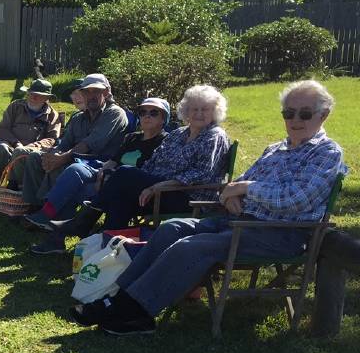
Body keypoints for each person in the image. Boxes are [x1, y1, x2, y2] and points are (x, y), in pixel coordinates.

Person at [71, 80, 347, 336]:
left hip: (278, 234)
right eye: (289, 113)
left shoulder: (326, 152)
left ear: (323, 116)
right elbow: (232, 185)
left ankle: (136, 313)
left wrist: (246, 189)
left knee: (191, 246)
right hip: (237, 221)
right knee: (171, 229)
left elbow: (294, 199)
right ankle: (118, 297)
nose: (295, 120)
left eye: (305, 114)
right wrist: (232, 193)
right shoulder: (276, 149)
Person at [32, 86, 233, 254]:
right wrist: (143, 184)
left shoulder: (214, 135)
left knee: (125, 174)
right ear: (186, 111)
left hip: (186, 197)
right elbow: (153, 163)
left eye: (204, 109)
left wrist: (157, 186)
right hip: (157, 192)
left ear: (214, 112)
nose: (198, 114)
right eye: (194, 109)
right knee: (121, 195)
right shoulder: (179, 134)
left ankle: (83, 223)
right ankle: (103, 252)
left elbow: (201, 174)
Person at [21, 96, 171, 242]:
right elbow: (113, 161)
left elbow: (151, 173)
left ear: (163, 118)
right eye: (143, 112)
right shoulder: (132, 138)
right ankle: (50, 219)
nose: (147, 116)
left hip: (128, 188)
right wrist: (102, 173)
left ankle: (55, 237)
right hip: (107, 176)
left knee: (77, 190)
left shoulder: (165, 142)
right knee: (75, 170)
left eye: (153, 112)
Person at [11, 73, 128, 210]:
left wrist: (61, 158)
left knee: (61, 166)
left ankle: (50, 211)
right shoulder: (78, 118)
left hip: (100, 164)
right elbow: (65, 142)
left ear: (106, 92)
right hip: (76, 158)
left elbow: (90, 144)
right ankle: (34, 205)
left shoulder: (114, 113)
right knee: (36, 157)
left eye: (96, 91)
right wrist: (53, 155)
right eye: (86, 92)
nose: (91, 96)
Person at [0, 79, 62, 201]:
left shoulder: (52, 115)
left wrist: (31, 146)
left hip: (33, 151)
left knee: (20, 152)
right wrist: (15, 142)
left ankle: (16, 188)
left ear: (46, 98)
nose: (33, 97)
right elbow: (2, 129)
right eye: (31, 93)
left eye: (38, 95)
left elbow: (52, 139)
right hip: (12, 143)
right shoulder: (16, 106)